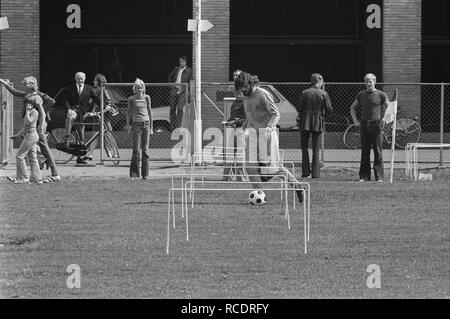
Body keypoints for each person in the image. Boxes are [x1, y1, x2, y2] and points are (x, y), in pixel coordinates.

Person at [234, 71, 304, 202]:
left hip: (267, 135)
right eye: (240, 89)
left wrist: (269, 128)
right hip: (253, 135)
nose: (242, 91)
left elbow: (275, 114)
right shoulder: (246, 97)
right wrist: (242, 128)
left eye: (244, 87)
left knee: (273, 169)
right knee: (249, 166)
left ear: (250, 83)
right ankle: (260, 196)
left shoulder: (262, 94)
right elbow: (250, 116)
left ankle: (297, 186)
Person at [0, 76, 61, 182]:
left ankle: (53, 174)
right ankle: (36, 177)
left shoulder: (39, 95)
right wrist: (3, 83)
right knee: (33, 152)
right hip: (30, 124)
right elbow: (14, 92)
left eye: (26, 84)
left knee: (43, 148)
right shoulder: (26, 94)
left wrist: (40, 120)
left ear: (32, 85)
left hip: (35, 124)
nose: (24, 85)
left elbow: (51, 102)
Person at [350, 73, 389, 182]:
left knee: (378, 152)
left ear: (374, 81)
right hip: (364, 125)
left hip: (377, 126)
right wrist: (355, 121)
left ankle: (379, 177)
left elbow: (390, 107)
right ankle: (364, 176)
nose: (368, 83)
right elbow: (353, 108)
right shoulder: (361, 94)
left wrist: (384, 120)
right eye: (366, 81)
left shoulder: (381, 94)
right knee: (365, 151)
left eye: (370, 81)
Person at [297, 73, 333, 178]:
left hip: (305, 122)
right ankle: (316, 173)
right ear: (320, 82)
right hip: (318, 121)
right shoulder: (323, 94)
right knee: (316, 149)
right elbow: (329, 109)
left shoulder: (304, 93)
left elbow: (299, 108)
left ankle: (305, 172)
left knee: (304, 148)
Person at [60, 71, 99, 164]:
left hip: (83, 114)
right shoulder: (70, 88)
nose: (80, 80)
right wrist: (69, 109)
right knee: (70, 116)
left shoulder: (89, 89)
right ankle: (66, 138)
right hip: (73, 110)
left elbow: (96, 99)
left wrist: (105, 104)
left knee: (81, 138)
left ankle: (79, 158)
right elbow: (65, 100)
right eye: (78, 78)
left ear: (84, 78)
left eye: (81, 78)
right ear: (75, 79)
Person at [7, 94, 45, 184]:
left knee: (20, 156)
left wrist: (27, 112)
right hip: (29, 135)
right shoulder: (30, 111)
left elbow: (29, 121)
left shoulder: (35, 112)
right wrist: (17, 135)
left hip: (31, 136)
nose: (28, 105)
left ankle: (23, 177)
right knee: (33, 157)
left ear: (34, 104)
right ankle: (37, 178)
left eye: (30, 103)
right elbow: (26, 126)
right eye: (26, 103)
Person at [81, 73, 119, 162]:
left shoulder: (104, 91)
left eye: (95, 80)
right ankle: (90, 155)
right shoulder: (97, 90)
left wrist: (99, 111)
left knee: (105, 134)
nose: (93, 81)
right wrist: (92, 113)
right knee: (96, 136)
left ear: (98, 82)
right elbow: (95, 104)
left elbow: (108, 104)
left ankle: (112, 153)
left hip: (103, 116)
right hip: (97, 116)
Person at [126, 78, 153, 179]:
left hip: (146, 124)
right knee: (136, 151)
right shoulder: (131, 99)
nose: (139, 89)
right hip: (136, 125)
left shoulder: (147, 98)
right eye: (137, 88)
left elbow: (150, 112)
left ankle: (145, 175)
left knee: (145, 150)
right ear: (134, 89)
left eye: (141, 87)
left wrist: (151, 128)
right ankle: (134, 174)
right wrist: (128, 125)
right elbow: (128, 113)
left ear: (143, 88)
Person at [223, 69, 247, 181]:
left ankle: (240, 176)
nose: (237, 95)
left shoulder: (245, 103)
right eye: (236, 94)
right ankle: (226, 176)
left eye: (239, 94)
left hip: (241, 130)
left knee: (240, 153)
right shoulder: (234, 103)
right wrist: (228, 122)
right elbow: (232, 116)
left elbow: (246, 119)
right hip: (232, 129)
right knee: (229, 152)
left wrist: (236, 122)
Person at [168, 56, 192, 130]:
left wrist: (188, 91)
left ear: (186, 62)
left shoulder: (189, 70)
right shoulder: (176, 68)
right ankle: (173, 126)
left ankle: (178, 127)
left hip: (182, 92)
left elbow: (190, 81)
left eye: (183, 61)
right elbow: (170, 76)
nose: (181, 62)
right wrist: (171, 86)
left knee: (180, 109)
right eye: (180, 61)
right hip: (174, 90)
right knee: (172, 109)